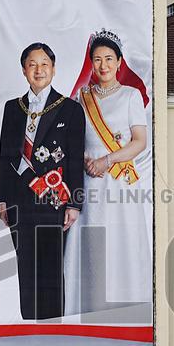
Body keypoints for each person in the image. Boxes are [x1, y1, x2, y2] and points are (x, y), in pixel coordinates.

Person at [64, 28, 151, 318]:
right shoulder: (81, 97)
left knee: (121, 243)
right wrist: (88, 160)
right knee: (91, 245)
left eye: (109, 59)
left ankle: (125, 312)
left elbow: (139, 141)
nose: (104, 65)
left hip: (120, 183)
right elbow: (71, 141)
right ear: (91, 61)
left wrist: (107, 160)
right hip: (89, 182)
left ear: (119, 61)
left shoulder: (131, 96)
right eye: (98, 59)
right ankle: (88, 310)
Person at [0, 42, 86, 320]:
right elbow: (5, 155)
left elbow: (73, 159)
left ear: (54, 69)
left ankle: (53, 326)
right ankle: (30, 325)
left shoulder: (70, 109)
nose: (39, 69)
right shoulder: (13, 108)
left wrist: (74, 203)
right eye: (32, 64)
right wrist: (3, 199)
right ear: (24, 70)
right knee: (26, 265)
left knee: (51, 265)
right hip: (20, 201)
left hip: (54, 199)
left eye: (44, 63)